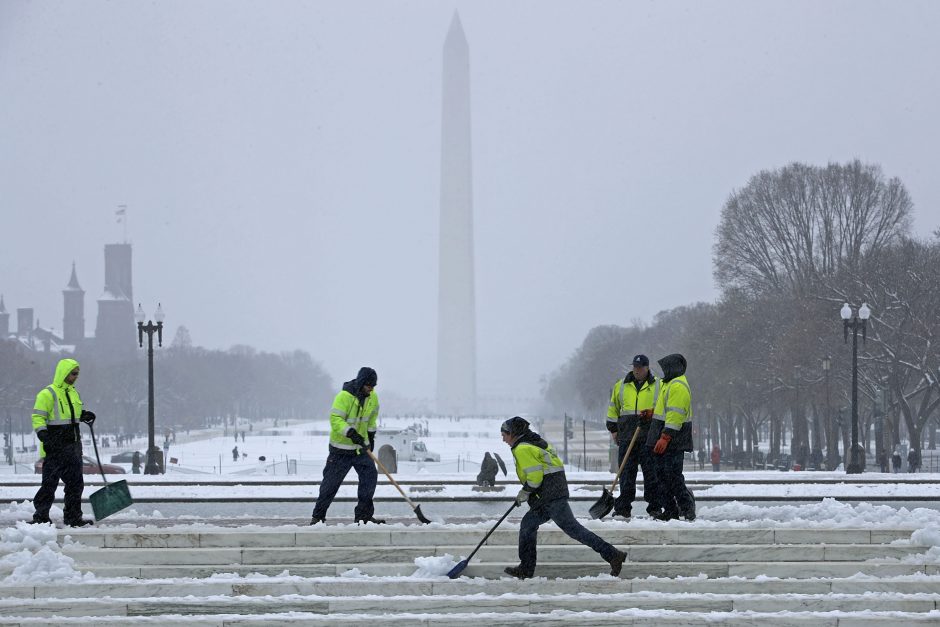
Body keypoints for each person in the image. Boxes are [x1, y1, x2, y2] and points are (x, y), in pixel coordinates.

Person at [500, 416, 625, 579]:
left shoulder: (522, 449)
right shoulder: (535, 443)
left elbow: (535, 478)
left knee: (574, 530)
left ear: (513, 433)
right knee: (527, 526)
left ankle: (613, 554)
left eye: (504, 434)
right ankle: (526, 568)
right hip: (550, 494)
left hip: (549, 496)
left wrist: (523, 494)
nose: (503, 439)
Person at [310, 367, 384, 525]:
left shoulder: (373, 398)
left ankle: (363, 517)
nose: (371, 389)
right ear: (362, 382)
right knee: (330, 485)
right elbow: (335, 419)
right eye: (369, 385)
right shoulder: (344, 397)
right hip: (340, 451)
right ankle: (318, 517)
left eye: (374, 386)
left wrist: (370, 438)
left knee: (370, 479)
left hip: (360, 450)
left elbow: (371, 419)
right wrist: (350, 432)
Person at [29, 358, 95, 527]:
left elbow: (73, 415)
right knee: (49, 485)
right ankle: (41, 517)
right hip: (55, 447)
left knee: (75, 485)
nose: (75, 377)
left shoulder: (74, 393)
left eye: (77, 374)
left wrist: (84, 415)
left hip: (73, 447)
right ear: (64, 373)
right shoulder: (47, 394)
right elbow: (38, 417)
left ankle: (73, 517)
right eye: (73, 373)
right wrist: (43, 434)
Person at [604, 354, 662, 520]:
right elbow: (613, 408)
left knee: (651, 475)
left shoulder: (658, 385)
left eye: (640, 368)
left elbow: (662, 408)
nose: (637, 370)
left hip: (649, 438)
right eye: (635, 367)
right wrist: (613, 429)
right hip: (627, 437)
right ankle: (623, 507)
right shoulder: (621, 385)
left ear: (647, 368)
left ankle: (655, 507)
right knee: (626, 475)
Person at [647, 353, 696, 521]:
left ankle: (687, 508)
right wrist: (651, 414)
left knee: (672, 476)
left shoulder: (677, 386)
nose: (663, 372)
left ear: (673, 368)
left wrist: (665, 437)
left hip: (673, 441)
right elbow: (667, 410)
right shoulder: (669, 385)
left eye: (665, 368)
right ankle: (670, 510)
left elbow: (675, 415)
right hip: (668, 438)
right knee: (662, 477)